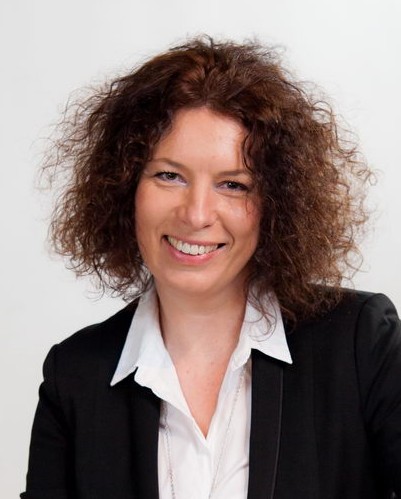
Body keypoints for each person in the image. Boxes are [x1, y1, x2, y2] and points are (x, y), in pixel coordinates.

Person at [22, 36, 401, 499]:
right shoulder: (74, 376)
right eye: (169, 175)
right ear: (123, 188)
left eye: (233, 185)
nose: (197, 214)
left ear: (277, 203)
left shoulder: (359, 343)